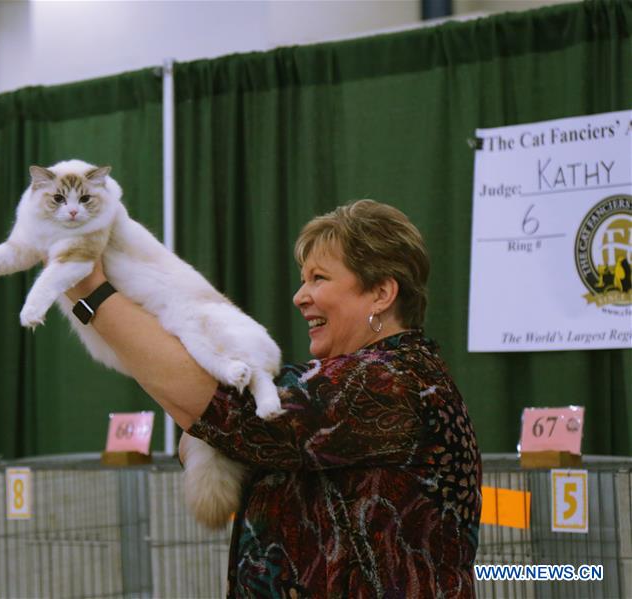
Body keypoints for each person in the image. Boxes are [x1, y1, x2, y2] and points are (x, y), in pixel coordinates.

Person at [66, 199, 481, 598]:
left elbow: (223, 411)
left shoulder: (392, 382)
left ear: (381, 294)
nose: (301, 295)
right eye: (303, 279)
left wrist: (91, 292)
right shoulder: (360, 378)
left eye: (319, 278)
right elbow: (216, 418)